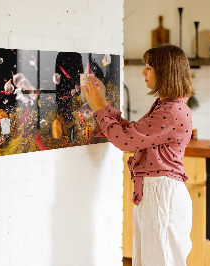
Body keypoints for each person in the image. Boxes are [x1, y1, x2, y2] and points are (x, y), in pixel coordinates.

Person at [82, 44, 194, 266]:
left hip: (162, 195)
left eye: (149, 67)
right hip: (157, 193)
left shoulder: (171, 111)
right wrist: (103, 103)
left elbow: (125, 141)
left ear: (165, 72)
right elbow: (133, 133)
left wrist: (98, 109)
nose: (143, 72)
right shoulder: (167, 106)